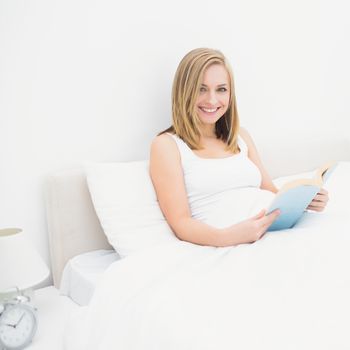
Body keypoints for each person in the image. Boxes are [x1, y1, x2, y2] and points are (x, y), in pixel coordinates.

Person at [150, 48, 329, 248]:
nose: (211, 100)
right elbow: (181, 223)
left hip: (275, 231)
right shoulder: (167, 145)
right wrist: (228, 237)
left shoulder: (240, 137)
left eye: (221, 89)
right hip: (236, 243)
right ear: (184, 91)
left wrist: (304, 201)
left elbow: (270, 191)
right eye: (201, 89)